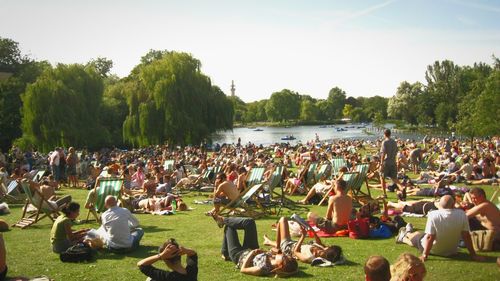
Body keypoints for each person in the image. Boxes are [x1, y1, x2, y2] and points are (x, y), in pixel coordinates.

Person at [396, 195, 485, 262]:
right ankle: (407, 232)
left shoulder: (433, 214)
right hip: (451, 250)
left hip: (434, 249)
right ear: (453, 204)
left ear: (439, 204)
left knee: (416, 238)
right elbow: (466, 236)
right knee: (420, 234)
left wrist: (425, 255)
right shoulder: (462, 214)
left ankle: (404, 237)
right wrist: (473, 255)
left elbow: (430, 237)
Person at [212, 215, 298, 277]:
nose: (283, 255)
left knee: (229, 227)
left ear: (280, 265)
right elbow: (277, 252)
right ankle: (224, 219)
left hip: (239, 255)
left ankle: (225, 252)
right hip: (252, 248)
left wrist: (252, 253)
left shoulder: (263, 268)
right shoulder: (276, 259)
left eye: (284, 258)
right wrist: (269, 252)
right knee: (250, 222)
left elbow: (243, 269)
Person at [263, 217, 342, 265]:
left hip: (288, 247)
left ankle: (277, 246)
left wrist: (303, 236)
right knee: (285, 226)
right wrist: (312, 230)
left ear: (328, 251)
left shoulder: (309, 257)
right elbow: (319, 242)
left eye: (329, 247)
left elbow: (295, 251)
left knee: (282, 220)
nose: (327, 246)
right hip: (294, 243)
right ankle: (268, 242)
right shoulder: (322, 251)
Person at [379, 129, 402, 198]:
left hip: (386, 162)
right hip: (393, 161)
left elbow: (383, 154)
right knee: (394, 178)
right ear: (390, 134)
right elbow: (396, 151)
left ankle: (384, 194)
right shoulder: (394, 142)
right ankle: (402, 188)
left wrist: (381, 163)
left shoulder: (384, 142)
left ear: (384, 134)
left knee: (382, 177)